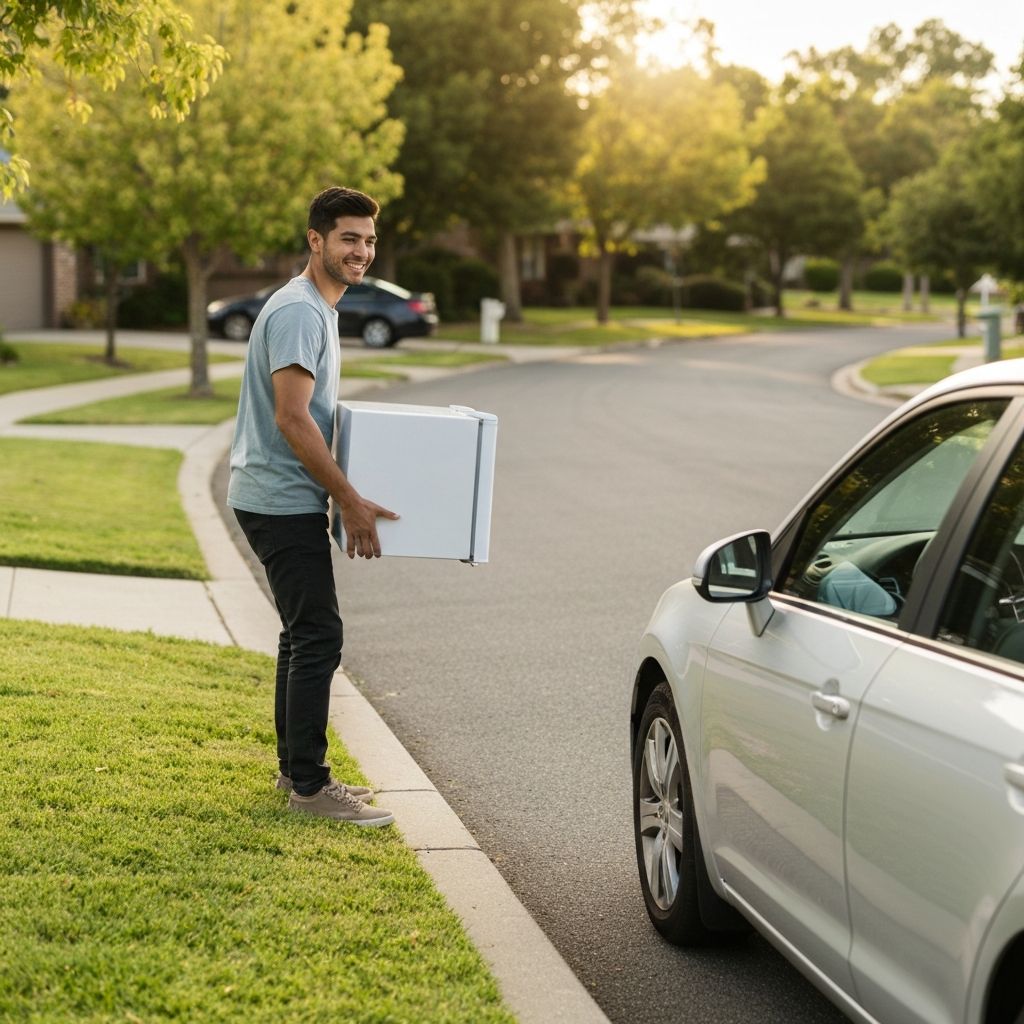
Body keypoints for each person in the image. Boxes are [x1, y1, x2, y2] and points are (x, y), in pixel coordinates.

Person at [228, 186, 398, 827]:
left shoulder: (318, 307)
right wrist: (349, 502)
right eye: (349, 238)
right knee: (319, 635)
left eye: (370, 239)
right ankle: (309, 786)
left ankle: (293, 771)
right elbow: (294, 419)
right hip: (278, 499)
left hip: (278, 495)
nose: (362, 251)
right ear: (316, 240)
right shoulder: (300, 311)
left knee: (301, 636)